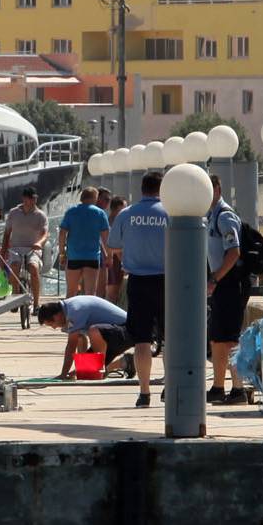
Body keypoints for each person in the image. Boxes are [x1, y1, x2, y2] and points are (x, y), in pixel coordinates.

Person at [106, 173, 169, 408]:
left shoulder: (126, 214)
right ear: (160, 189)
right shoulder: (169, 213)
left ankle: (144, 392)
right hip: (165, 281)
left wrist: (129, 252)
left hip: (138, 281)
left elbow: (112, 245)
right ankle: (169, 386)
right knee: (170, 337)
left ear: (141, 189)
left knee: (142, 340)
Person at [205, 173, 245, 404]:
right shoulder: (212, 215)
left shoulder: (225, 216)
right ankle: (218, 387)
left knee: (229, 339)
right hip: (221, 283)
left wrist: (216, 278)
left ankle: (238, 389)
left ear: (218, 190)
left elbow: (234, 251)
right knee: (217, 339)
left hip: (229, 283)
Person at [36, 293, 131, 379]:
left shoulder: (74, 311)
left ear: (57, 315)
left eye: (52, 324)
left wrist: (63, 374)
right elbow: (80, 339)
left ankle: (99, 370)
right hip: (112, 335)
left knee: (94, 331)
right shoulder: (67, 310)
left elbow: (71, 346)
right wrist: (81, 368)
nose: (54, 327)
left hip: (127, 330)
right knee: (85, 374)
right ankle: (124, 362)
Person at [1, 188, 49, 322]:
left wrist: (39, 243)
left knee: (33, 267)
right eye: (30, 198)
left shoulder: (40, 215)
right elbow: (6, 234)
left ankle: (36, 304)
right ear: (24, 198)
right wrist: (3, 252)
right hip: (16, 248)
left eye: (35, 198)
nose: (33, 201)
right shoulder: (13, 213)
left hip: (33, 248)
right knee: (14, 267)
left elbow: (45, 233)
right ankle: (16, 296)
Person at [58, 186, 111, 296]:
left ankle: (70, 313)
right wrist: (109, 256)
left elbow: (62, 233)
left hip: (74, 256)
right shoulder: (100, 213)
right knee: (90, 293)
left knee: (71, 292)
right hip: (92, 257)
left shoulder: (71, 212)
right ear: (95, 198)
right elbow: (106, 238)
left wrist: (62, 253)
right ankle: (88, 313)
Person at [100, 196, 128, 303]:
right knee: (112, 293)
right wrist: (123, 261)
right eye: (124, 207)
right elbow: (110, 246)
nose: (126, 210)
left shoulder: (112, 222)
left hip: (115, 261)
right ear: (117, 208)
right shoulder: (110, 224)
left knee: (114, 293)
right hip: (113, 261)